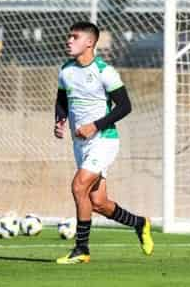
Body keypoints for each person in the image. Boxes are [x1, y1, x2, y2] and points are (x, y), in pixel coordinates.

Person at [54, 21, 154, 265]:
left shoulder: (104, 71)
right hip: (81, 145)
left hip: (104, 140)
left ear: (90, 42)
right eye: (69, 36)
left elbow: (125, 106)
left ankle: (81, 250)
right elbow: (61, 99)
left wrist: (94, 126)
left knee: (79, 187)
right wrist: (60, 119)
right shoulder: (66, 70)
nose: (69, 40)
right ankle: (139, 223)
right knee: (98, 203)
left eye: (74, 37)